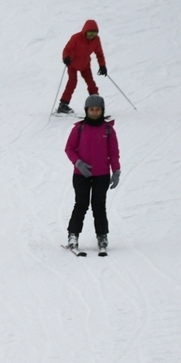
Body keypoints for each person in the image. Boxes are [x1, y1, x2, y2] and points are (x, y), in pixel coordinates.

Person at [65, 95, 120, 253]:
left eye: (97, 109)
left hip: (101, 174)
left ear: (102, 111)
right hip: (81, 174)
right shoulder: (79, 128)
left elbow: (113, 153)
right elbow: (69, 148)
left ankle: (102, 235)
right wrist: (78, 163)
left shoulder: (108, 129)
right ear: (86, 110)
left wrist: (116, 170)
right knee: (81, 204)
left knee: (99, 206)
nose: (94, 112)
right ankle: (73, 235)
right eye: (92, 109)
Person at [57, 20, 106, 115]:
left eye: (94, 33)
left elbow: (99, 54)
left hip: (85, 65)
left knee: (91, 84)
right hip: (73, 65)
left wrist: (102, 65)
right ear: (85, 31)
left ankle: (96, 105)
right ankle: (63, 105)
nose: (91, 36)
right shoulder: (76, 38)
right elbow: (67, 49)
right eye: (90, 33)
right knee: (72, 82)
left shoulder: (96, 40)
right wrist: (66, 58)